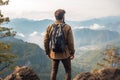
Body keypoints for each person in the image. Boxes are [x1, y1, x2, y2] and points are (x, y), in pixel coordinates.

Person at [44, 9, 75, 80]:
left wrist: (48, 52)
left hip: (54, 53)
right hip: (65, 54)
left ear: (55, 17)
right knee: (68, 71)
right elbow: (71, 42)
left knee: (54, 71)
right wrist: (72, 52)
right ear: (63, 17)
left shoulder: (50, 27)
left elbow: (45, 41)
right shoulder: (67, 27)